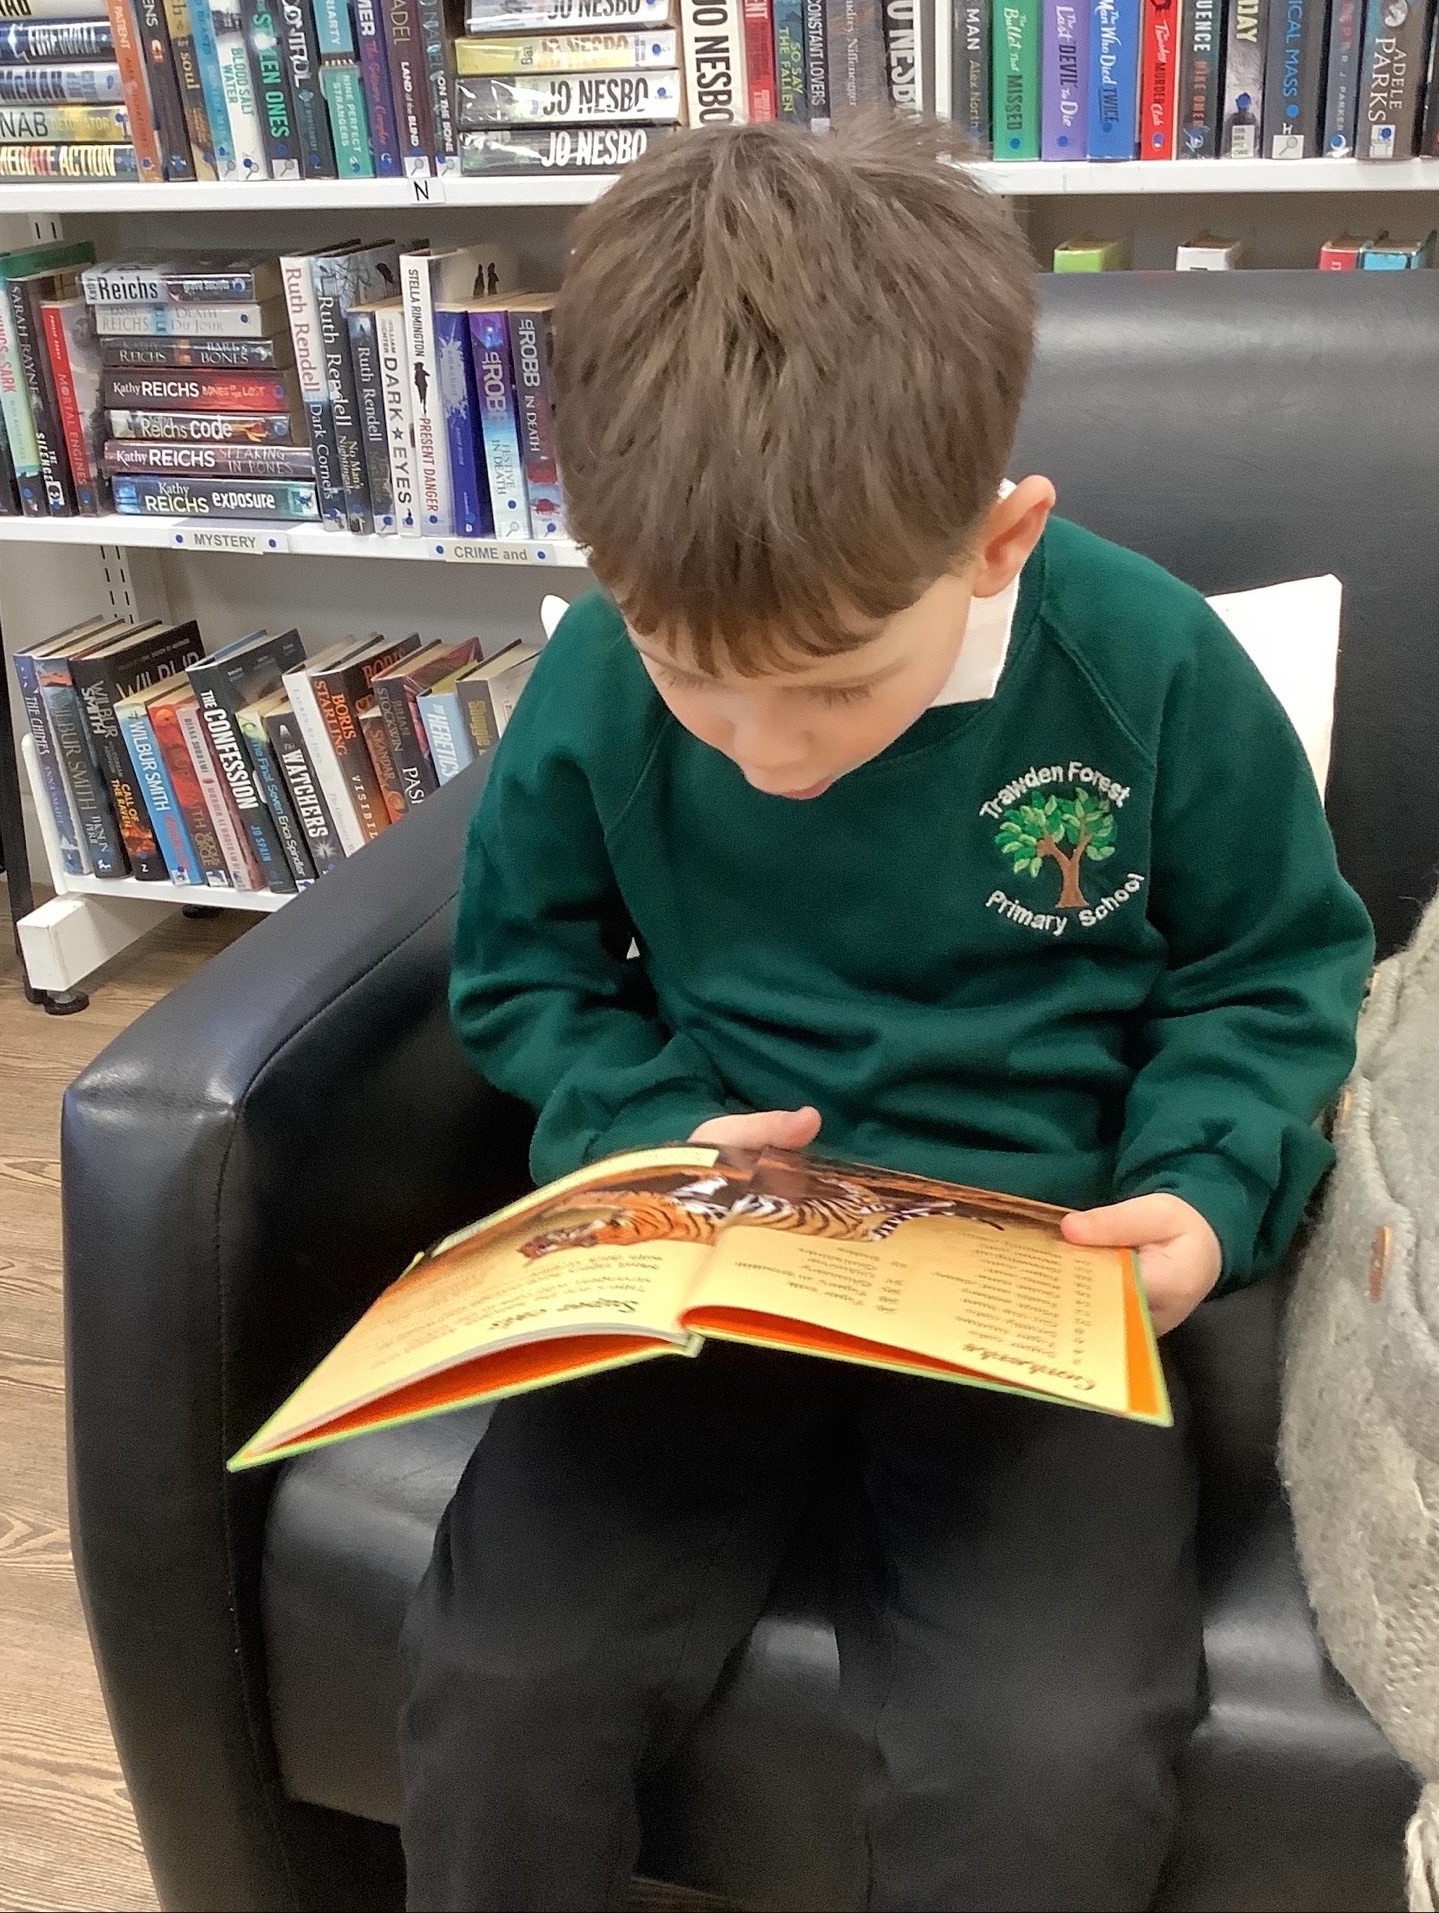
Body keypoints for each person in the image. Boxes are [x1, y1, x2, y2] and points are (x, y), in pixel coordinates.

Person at [398, 117, 1374, 1912]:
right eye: (696, 682)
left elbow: (1268, 972)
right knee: (504, 1688)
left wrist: (1205, 1187)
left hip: (1038, 1275)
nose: (766, 755)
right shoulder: (602, 671)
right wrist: (647, 1128)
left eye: (837, 688)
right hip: (713, 1251)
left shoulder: (1152, 664)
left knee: (1045, 1761)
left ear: (999, 541)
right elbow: (527, 973)